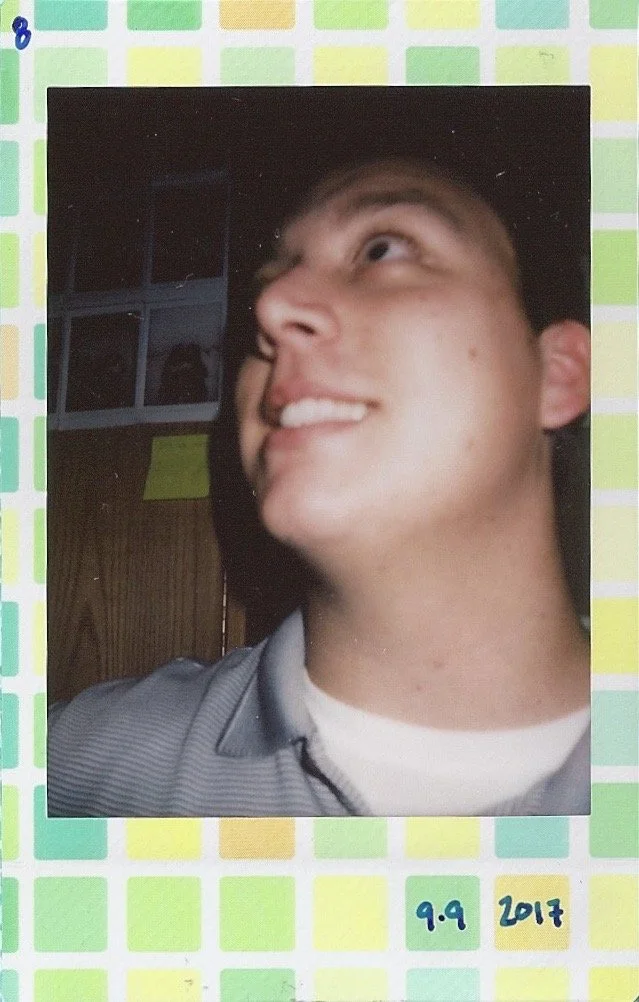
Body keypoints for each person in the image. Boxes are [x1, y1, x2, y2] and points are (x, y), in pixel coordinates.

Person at [48, 157, 591, 818]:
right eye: (267, 285)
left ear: (558, 374)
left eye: (382, 249)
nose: (271, 307)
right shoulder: (76, 767)